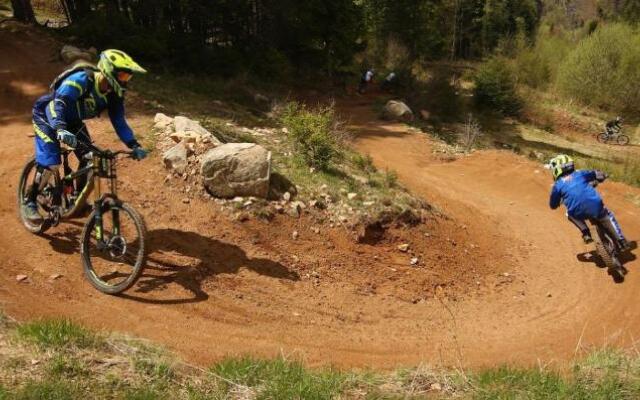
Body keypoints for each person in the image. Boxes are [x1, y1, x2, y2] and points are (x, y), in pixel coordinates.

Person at [23, 49, 148, 223]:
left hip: (72, 122)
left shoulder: (113, 95)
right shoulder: (82, 80)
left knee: (91, 158)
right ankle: (29, 201)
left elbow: (119, 121)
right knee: (52, 163)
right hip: (48, 115)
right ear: (108, 70)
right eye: (122, 76)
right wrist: (60, 129)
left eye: (127, 77)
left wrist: (134, 144)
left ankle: (77, 200)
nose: (124, 81)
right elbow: (57, 103)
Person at [548, 154, 628, 249]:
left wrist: (557, 202)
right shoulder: (580, 174)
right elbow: (595, 174)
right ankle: (621, 240)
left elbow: (553, 205)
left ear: (557, 169)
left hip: (577, 213)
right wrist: (603, 175)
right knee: (608, 215)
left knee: (569, 214)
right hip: (595, 206)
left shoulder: (557, 185)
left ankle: (586, 233)